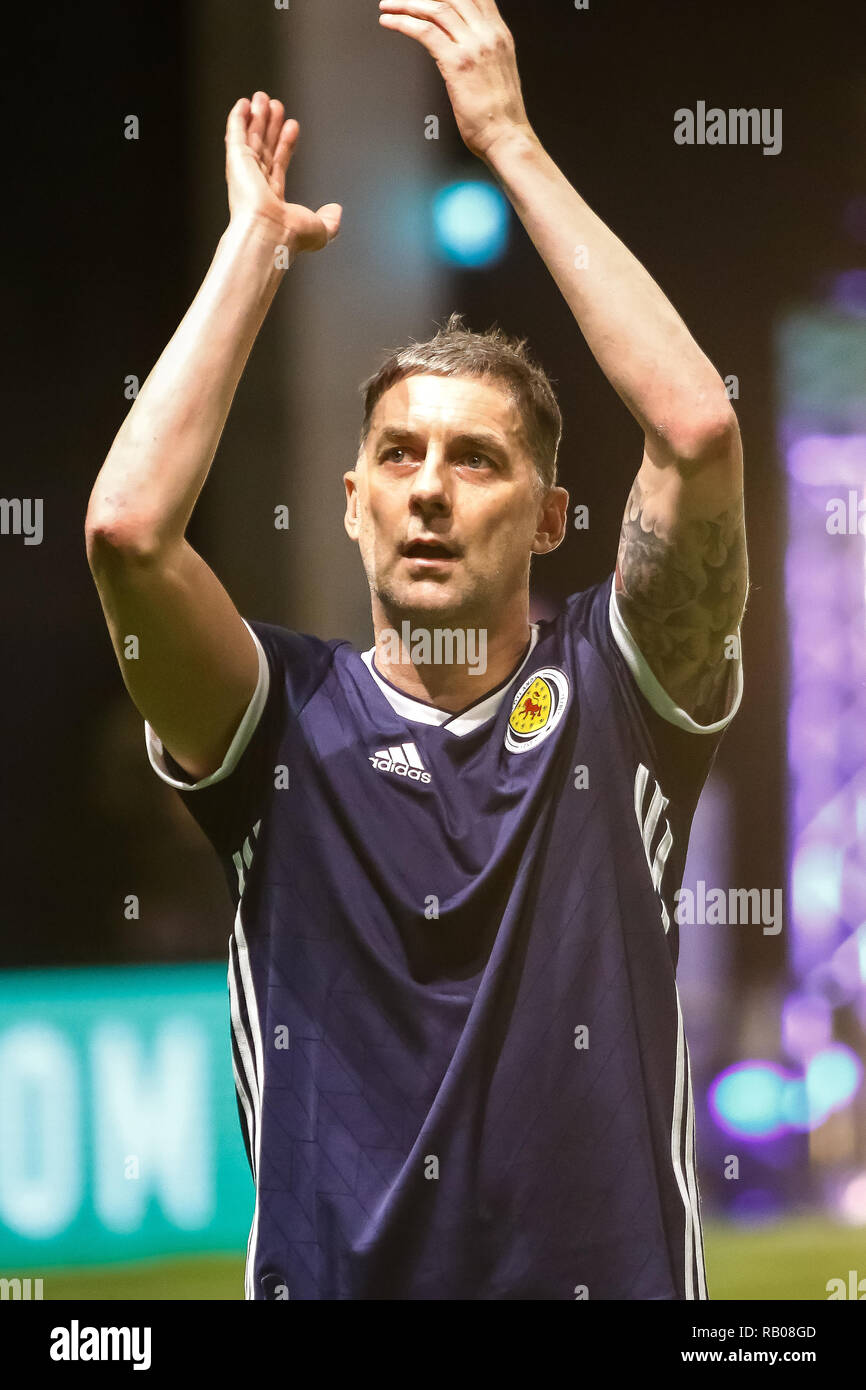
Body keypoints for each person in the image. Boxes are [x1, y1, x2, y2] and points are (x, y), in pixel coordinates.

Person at [85, 0, 747, 1300]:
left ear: (553, 517)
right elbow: (125, 530)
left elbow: (694, 434)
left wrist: (507, 142)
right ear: (351, 501)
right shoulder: (279, 723)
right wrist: (254, 252)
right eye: (399, 455)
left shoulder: (621, 698)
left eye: (477, 460)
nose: (430, 487)